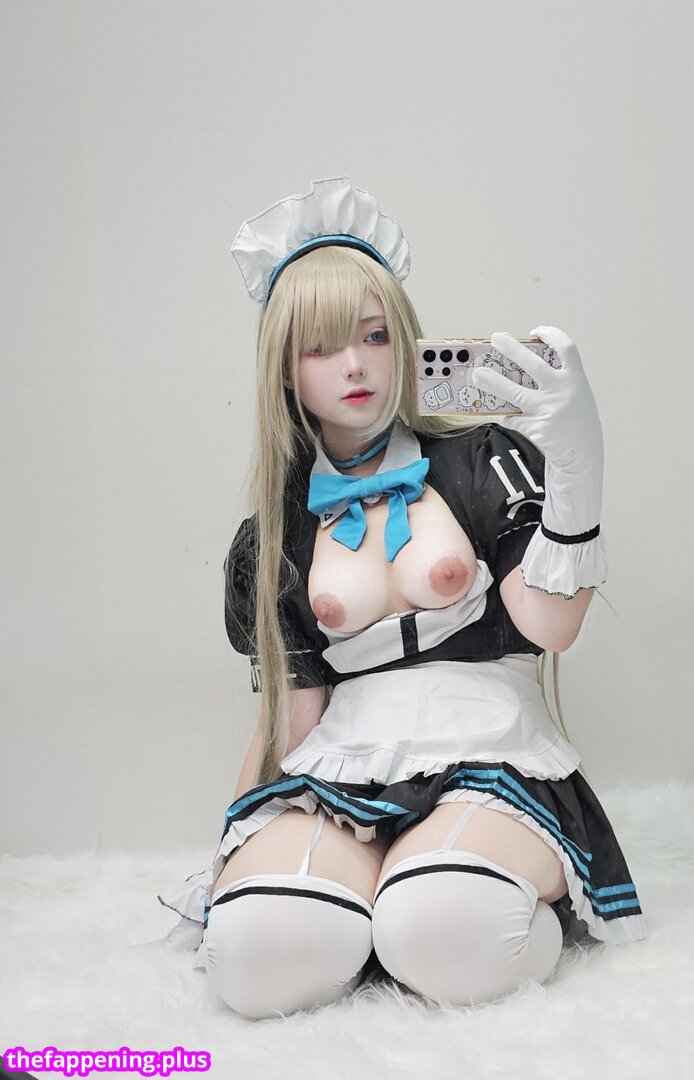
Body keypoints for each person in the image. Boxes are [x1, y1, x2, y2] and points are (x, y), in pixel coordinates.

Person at [159, 176, 646, 1020]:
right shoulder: (277, 530)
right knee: (255, 953)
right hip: (345, 763)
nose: (354, 364)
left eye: (375, 335)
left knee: (446, 930)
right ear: (284, 369)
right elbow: (293, 715)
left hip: (489, 748)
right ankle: (374, 909)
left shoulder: (481, 460)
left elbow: (550, 625)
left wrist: (576, 470)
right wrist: (230, 845)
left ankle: (443, 914)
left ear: (405, 338)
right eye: (320, 347)